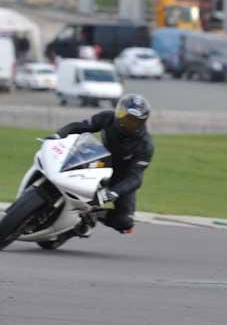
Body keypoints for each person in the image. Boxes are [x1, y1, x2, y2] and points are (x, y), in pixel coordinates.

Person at [50, 94, 154, 234]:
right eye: (122, 115)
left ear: (142, 123)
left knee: (125, 223)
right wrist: (58, 135)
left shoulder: (145, 145)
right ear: (117, 111)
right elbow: (81, 126)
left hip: (121, 179)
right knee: (64, 173)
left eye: (131, 121)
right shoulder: (107, 118)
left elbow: (135, 178)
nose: (124, 121)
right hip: (98, 162)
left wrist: (113, 193)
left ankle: (95, 214)